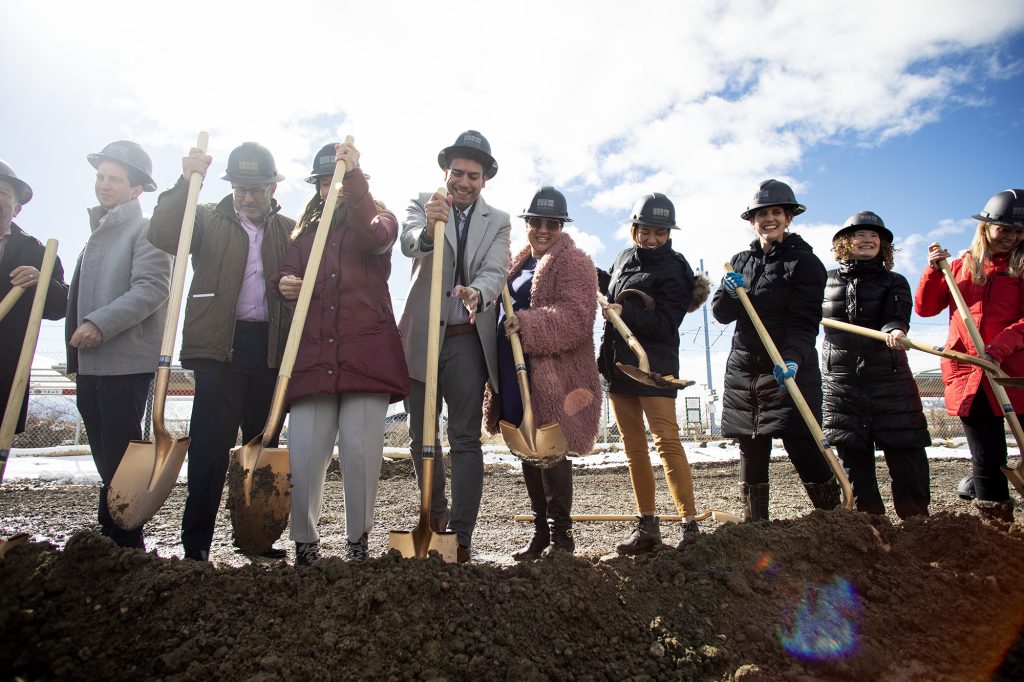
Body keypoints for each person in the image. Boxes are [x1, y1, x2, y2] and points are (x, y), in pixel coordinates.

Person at [149, 141, 295, 561]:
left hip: (269, 351)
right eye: (240, 189)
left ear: (272, 187)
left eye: (257, 189)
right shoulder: (206, 217)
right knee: (210, 451)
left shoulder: (287, 230)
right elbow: (162, 234)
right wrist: (184, 182)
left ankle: (254, 537)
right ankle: (196, 544)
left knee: (260, 448)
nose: (248, 198)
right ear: (230, 186)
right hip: (219, 349)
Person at [269, 142, 408, 565]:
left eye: (341, 180)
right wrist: (284, 284)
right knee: (306, 452)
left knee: (360, 452)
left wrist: (355, 181)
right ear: (317, 187)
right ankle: (305, 543)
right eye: (327, 181)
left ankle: (358, 542)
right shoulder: (304, 237)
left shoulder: (380, 220)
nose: (334, 187)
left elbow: (374, 237)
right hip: (313, 359)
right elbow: (284, 272)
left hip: (366, 357)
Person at [398, 130, 511, 563]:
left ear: (485, 180)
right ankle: (433, 515)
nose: (464, 182)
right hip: (421, 338)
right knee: (420, 434)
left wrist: (479, 294)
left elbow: (495, 269)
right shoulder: (423, 204)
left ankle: (462, 533)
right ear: (446, 172)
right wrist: (429, 227)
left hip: (465, 340)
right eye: (458, 173)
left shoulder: (498, 220)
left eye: (474, 176)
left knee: (464, 438)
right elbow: (409, 242)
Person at [481, 187, 601, 560]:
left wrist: (527, 325)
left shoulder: (574, 263)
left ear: (561, 226)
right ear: (528, 224)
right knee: (527, 448)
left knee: (551, 450)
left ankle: (561, 539)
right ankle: (539, 534)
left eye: (552, 223)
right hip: (513, 368)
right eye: (537, 222)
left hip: (550, 373)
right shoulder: (515, 263)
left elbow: (578, 318)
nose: (543, 230)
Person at [712, 179, 839, 522]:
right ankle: (757, 527)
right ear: (751, 221)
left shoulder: (805, 263)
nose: (769, 219)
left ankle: (836, 520)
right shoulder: (739, 261)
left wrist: (794, 358)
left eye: (776, 212)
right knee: (752, 446)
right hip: (744, 369)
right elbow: (721, 315)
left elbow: (804, 321)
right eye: (761, 214)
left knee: (801, 441)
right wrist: (727, 292)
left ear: (788, 218)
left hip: (785, 364)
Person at [66, 141, 171, 549]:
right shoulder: (97, 233)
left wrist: (99, 323)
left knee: (122, 459)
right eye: (100, 177)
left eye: (115, 179)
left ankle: (127, 541)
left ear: (136, 189)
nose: (104, 186)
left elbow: (152, 288)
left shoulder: (145, 230)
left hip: (124, 363)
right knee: (106, 458)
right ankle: (111, 534)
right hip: (90, 362)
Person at [597, 193, 709, 553]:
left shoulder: (676, 267)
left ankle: (689, 525)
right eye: (645, 231)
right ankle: (647, 526)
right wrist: (585, 272)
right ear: (634, 229)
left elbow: (665, 324)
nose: (652, 239)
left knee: (666, 442)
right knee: (633, 449)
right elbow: (610, 285)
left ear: (669, 233)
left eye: (659, 232)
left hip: (654, 367)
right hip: (619, 364)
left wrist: (623, 312)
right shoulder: (623, 257)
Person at [915, 189, 1024, 524]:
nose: (1011, 237)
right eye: (1003, 228)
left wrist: (1002, 345)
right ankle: (997, 533)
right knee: (988, 457)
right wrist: (935, 271)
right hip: (970, 374)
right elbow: (926, 307)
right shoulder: (960, 267)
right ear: (986, 227)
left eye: (1019, 231)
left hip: (1014, 371)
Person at [821, 211, 930, 519]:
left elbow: (896, 315)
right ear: (845, 242)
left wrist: (895, 329)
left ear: (883, 245)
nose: (868, 240)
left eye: (874, 236)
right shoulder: (825, 280)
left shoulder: (894, 281)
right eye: (860, 235)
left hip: (889, 379)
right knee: (854, 460)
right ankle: (869, 526)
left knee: (906, 453)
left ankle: (917, 524)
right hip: (842, 382)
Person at [0, 160, 68, 436]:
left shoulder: (36, 253)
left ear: (16, 209)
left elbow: (61, 305)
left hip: (4, 366)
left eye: (3, 193)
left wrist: (42, 284)